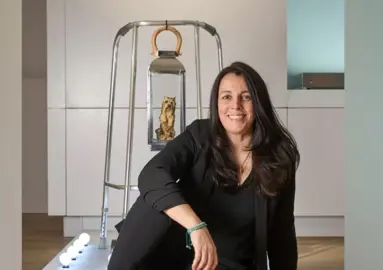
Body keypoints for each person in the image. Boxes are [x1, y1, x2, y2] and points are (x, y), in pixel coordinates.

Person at [107, 61, 300, 270]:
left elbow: (283, 234)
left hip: (226, 264)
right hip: (171, 256)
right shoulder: (199, 135)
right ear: (216, 103)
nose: (235, 106)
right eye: (226, 96)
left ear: (259, 102)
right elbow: (151, 174)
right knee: (153, 200)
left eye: (246, 97)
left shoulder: (279, 157)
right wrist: (196, 226)